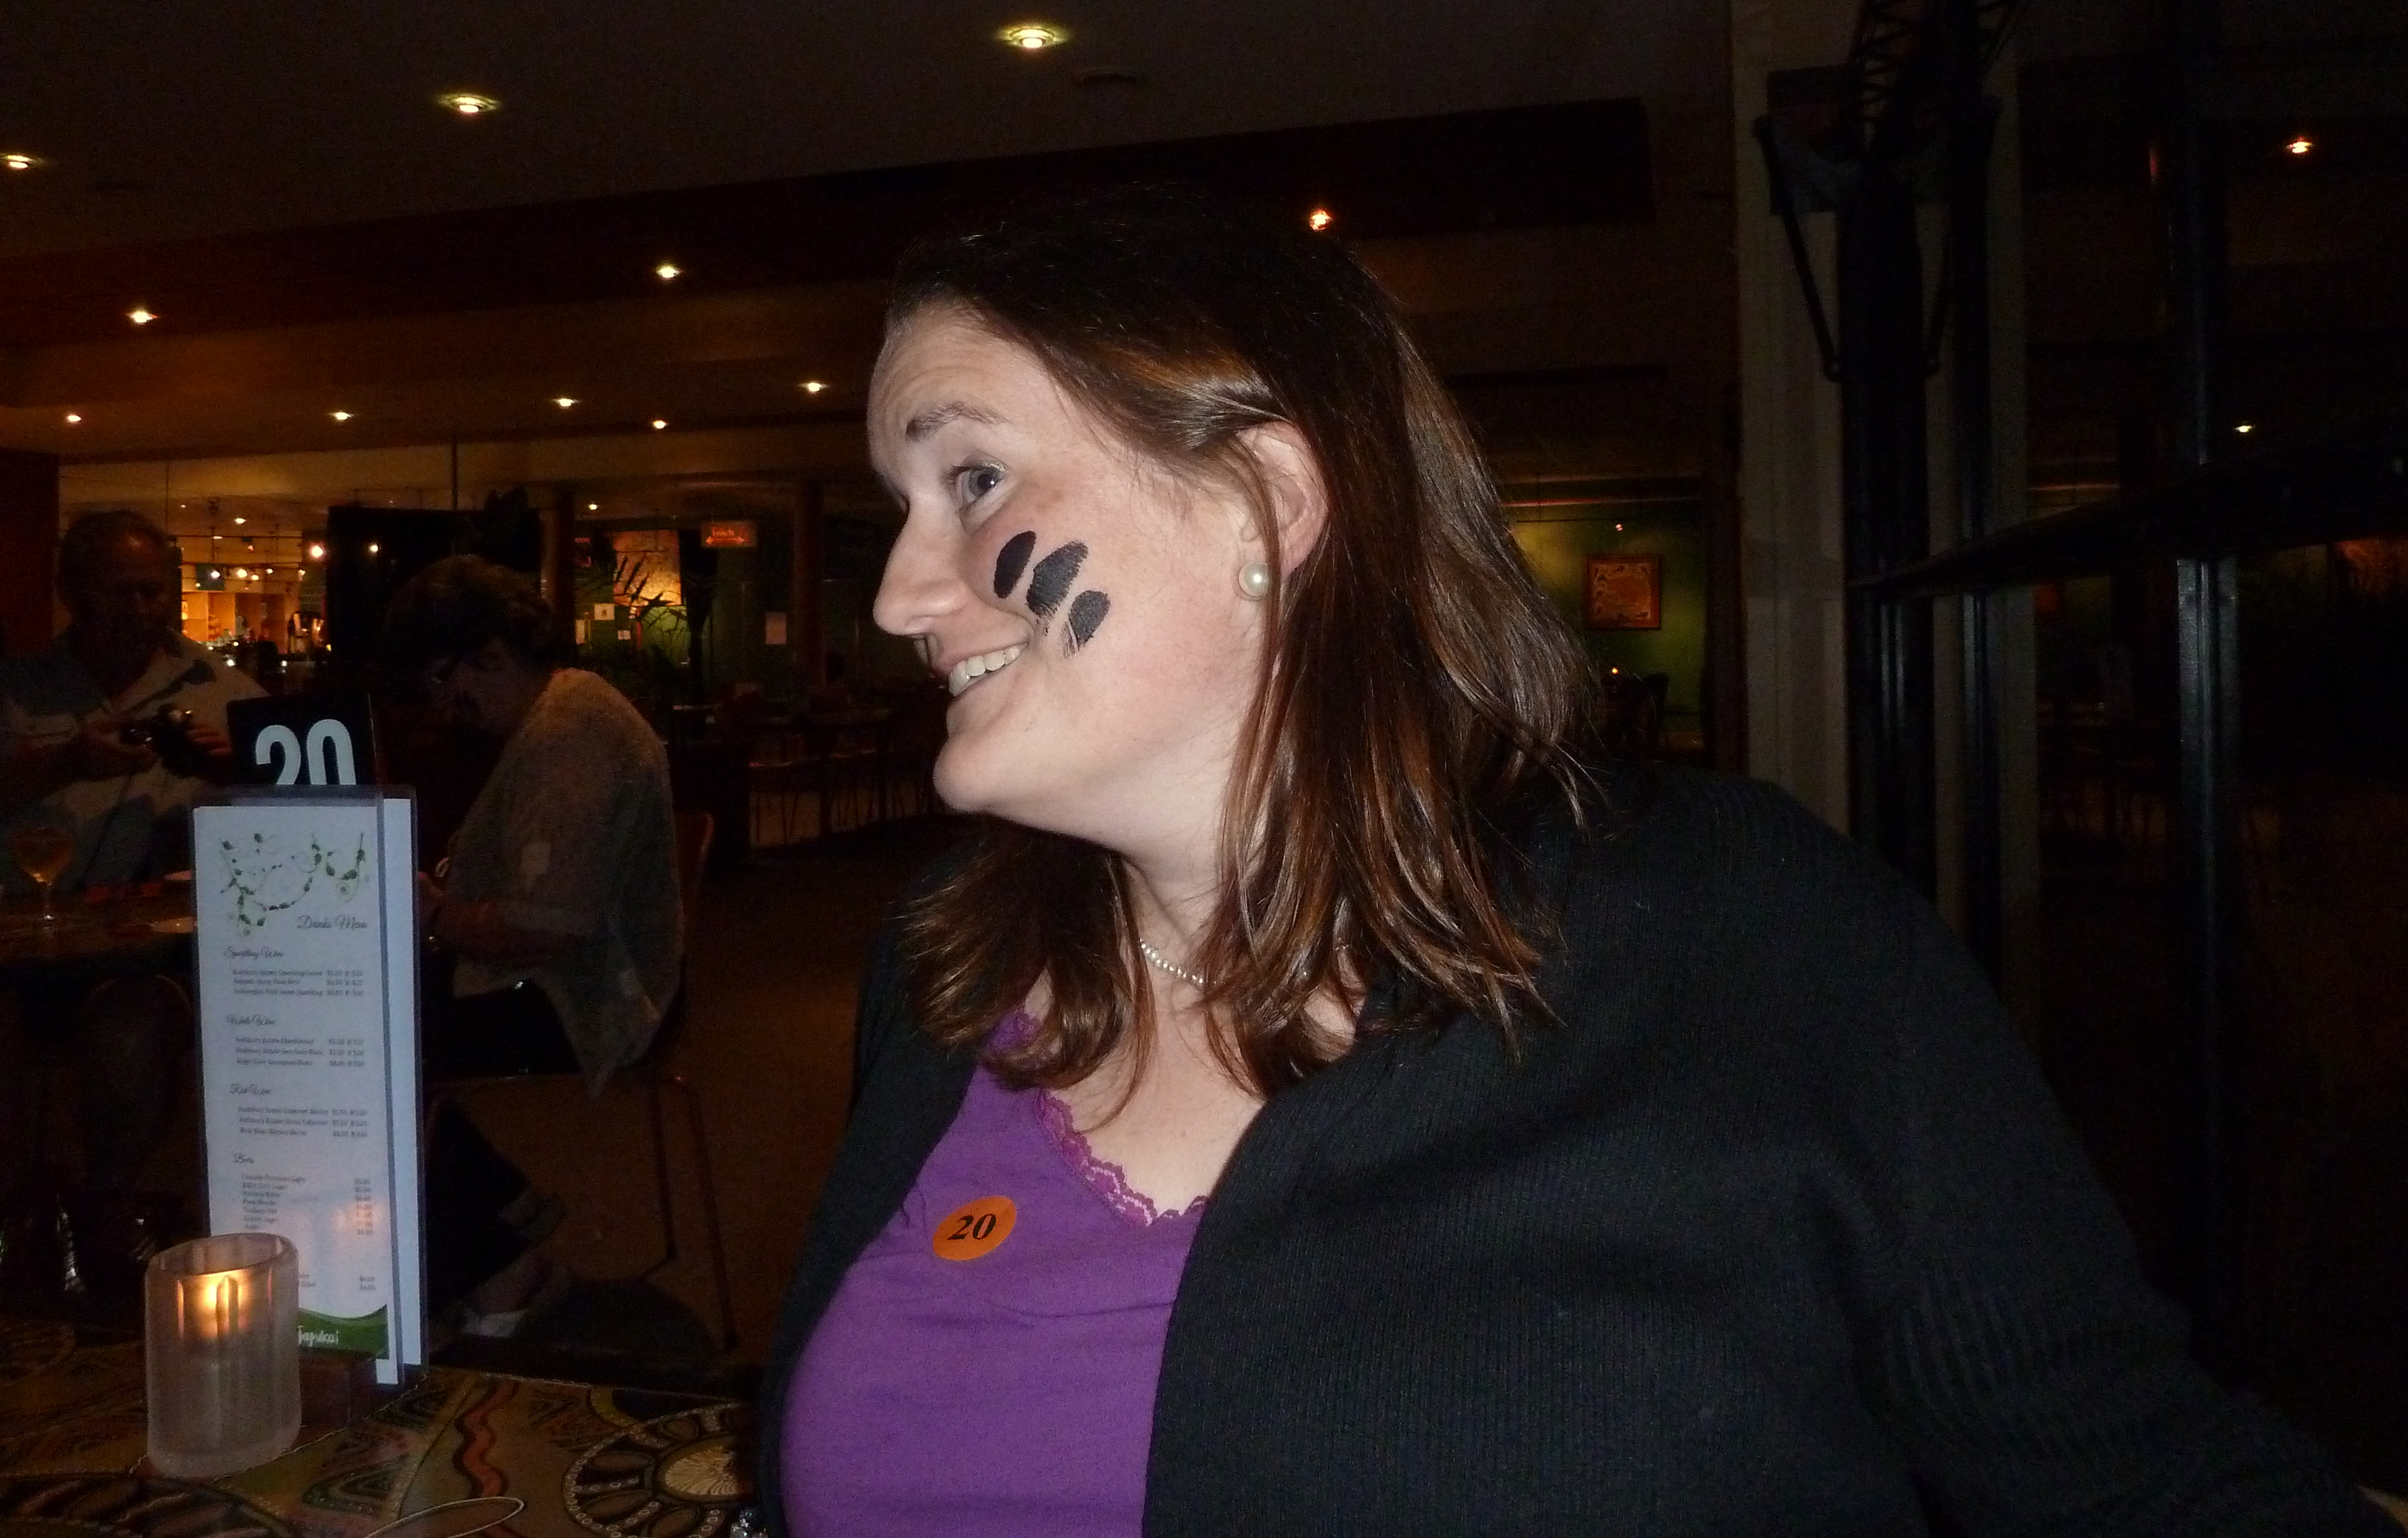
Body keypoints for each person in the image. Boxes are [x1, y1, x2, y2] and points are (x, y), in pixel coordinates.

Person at [758, 188, 2400, 1536]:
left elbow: (2138, 1480)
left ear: (1260, 500)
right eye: (902, 504)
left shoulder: (1745, 940)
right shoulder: (945, 973)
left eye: (971, 479)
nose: (900, 594)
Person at [383, 555, 682, 1331]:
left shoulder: (567, 733)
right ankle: (505, 1223)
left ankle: (500, 1262)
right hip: (585, 974)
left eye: (446, 682)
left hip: (590, 994)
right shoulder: (565, 711)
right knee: (376, 1043)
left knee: (367, 1058)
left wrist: (432, 915)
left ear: (489, 655)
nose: (447, 707)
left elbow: (546, 928)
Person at [0, 510, 253, 1260]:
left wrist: (233, 771)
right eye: (120, 592)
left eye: (154, 591)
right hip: (19, 944)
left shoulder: (223, 690)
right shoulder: (16, 690)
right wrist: (64, 764)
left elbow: (304, 808)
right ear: (71, 591)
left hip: (146, 957)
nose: (141, 610)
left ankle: (106, 1211)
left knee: (131, 1028)